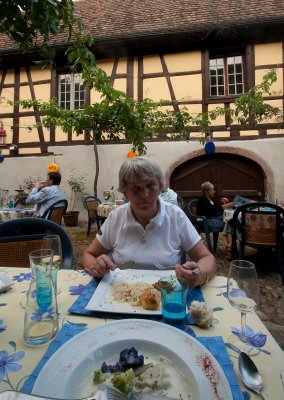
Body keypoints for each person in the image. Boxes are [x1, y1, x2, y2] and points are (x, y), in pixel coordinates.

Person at [81, 157, 217, 287]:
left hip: (166, 295)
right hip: (120, 293)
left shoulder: (175, 216)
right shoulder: (116, 216)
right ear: (125, 192)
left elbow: (207, 258)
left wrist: (200, 275)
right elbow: (89, 255)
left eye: (150, 186)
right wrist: (95, 265)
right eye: (136, 189)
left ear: (160, 187)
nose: (144, 195)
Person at [197, 181, 235, 260]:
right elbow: (213, 209)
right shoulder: (202, 200)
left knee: (230, 221)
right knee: (229, 224)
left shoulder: (211, 199)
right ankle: (230, 249)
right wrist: (226, 205)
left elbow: (219, 208)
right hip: (205, 222)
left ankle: (230, 248)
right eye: (212, 190)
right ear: (206, 191)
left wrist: (225, 203)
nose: (214, 191)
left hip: (214, 219)